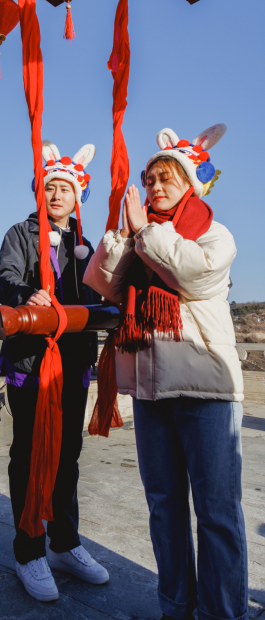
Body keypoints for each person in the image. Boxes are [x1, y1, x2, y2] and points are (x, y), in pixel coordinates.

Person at [83, 125, 247, 620]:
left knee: (216, 513)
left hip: (207, 394)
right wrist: (123, 235)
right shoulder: (142, 242)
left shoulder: (213, 234)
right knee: (164, 507)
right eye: (150, 178)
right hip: (152, 393)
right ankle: (176, 606)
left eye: (167, 178)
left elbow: (192, 273)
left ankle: (222, 613)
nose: (155, 186)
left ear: (191, 185)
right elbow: (103, 285)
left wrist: (147, 233)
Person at [0, 140, 109, 602]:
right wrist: (26, 296)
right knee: (30, 453)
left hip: (73, 362)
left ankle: (65, 543)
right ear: (39, 192)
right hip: (32, 363)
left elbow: (104, 288)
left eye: (65, 188)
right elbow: (3, 279)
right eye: (50, 187)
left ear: (79, 196)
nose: (57, 194)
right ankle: (29, 550)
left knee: (68, 455)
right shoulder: (21, 234)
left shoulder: (85, 243)